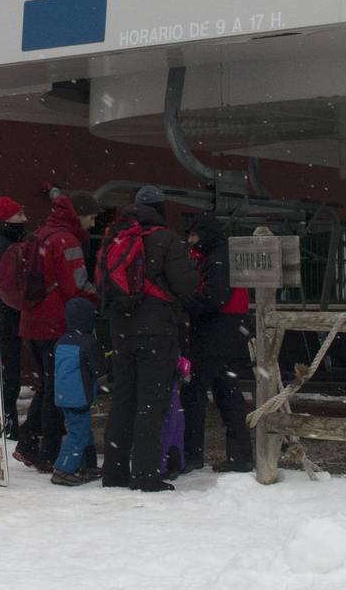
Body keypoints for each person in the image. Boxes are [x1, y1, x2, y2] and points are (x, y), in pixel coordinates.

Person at [99, 200, 198, 493]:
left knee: (123, 400)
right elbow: (187, 285)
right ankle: (145, 473)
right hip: (156, 331)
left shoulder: (116, 236)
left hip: (121, 330)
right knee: (151, 405)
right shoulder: (166, 238)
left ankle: (114, 472)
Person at [16, 189, 93, 472]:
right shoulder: (67, 240)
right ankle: (48, 452)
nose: (93, 223)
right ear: (80, 215)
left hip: (31, 322)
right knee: (56, 392)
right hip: (54, 324)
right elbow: (77, 285)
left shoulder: (43, 233)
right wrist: (99, 299)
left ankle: (29, 443)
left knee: (46, 387)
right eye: (92, 217)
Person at [181, 215, 255, 474]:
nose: (190, 240)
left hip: (216, 331)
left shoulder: (217, 258)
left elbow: (214, 297)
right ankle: (240, 455)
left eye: (193, 235)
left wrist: (186, 303)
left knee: (194, 391)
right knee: (228, 391)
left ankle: (193, 454)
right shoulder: (225, 254)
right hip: (231, 330)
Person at [0, 196, 31, 443]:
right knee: (5, 371)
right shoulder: (2, 245)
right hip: (6, 315)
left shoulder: (3, 241)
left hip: (6, 313)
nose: (24, 219)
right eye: (19, 215)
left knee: (5, 371)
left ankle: (4, 419)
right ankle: (4, 421)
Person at [49, 296, 100, 486]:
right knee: (78, 434)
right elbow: (98, 369)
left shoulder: (60, 341)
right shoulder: (89, 342)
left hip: (63, 396)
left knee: (82, 430)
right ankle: (63, 469)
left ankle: (88, 465)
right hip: (80, 396)